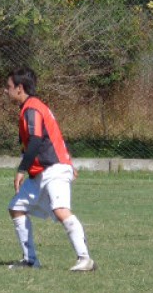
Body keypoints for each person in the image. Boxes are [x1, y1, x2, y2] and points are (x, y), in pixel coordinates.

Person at [5, 67, 96, 272]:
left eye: (9, 86)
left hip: (53, 169)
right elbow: (51, 137)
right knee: (16, 207)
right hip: (42, 171)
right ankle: (30, 261)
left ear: (20, 88)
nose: (6, 90)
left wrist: (21, 170)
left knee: (61, 210)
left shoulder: (32, 108)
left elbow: (37, 140)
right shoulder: (31, 107)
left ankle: (85, 259)